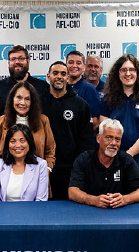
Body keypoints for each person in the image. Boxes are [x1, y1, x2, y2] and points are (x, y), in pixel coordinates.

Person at [100, 54, 139, 191]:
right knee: (114, 200)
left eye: (132, 70)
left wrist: (128, 155)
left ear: (137, 73)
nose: (128, 73)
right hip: (113, 157)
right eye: (123, 70)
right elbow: (104, 131)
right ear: (118, 73)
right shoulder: (107, 98)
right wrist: (118, 156)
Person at [0, 45, 49, 169]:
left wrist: (48, 163)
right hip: (5, 157)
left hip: (36, 158)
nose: (17, 62)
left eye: (21, 58)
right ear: (8, 63)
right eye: (13, 59)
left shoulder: (43, 87)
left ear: (28, 61)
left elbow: (46, 124)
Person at [68, 118, 139, 208]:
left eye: (117, 139)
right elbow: (72, 191)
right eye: (108, 137)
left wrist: (125, 199)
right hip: (89, 212)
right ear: (98, 138)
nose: (113, 143)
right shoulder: (84, 159)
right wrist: (93, 200)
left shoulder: (126, 159)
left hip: (120, 213)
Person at [42, 61, 94, 200]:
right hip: (42, 169)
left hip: (70, 169)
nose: (59, 76)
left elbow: (86, 141)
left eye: (63, 74)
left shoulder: (80, 105)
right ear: (48, 76)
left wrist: (80, 167)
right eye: (55, 73)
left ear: (67, 78)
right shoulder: (38, 103)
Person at [0, 81, 55, 172]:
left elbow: (50, 151)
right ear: (12, 99)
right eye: (19, 98)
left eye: (27, 99)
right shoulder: (0, 122)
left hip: (37, 176)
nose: (22, 103)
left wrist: (47, 170)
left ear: (32, 102)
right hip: (9, 176)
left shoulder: (43, 121)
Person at [0, 124, 49, 202]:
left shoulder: (41, 165)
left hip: (32, 212)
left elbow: (41, 200)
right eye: (13, 141)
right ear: (8, 144)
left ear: (29, 143)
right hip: (3, 212)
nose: (17, 145)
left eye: (22, 141)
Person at [66, 51, 101, 129]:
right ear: (66, 65)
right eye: (71, 62)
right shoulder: (61, 87)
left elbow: (95, 122)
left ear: (84, 67)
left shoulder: (89, 89)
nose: (74, 66)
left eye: (78, 63)